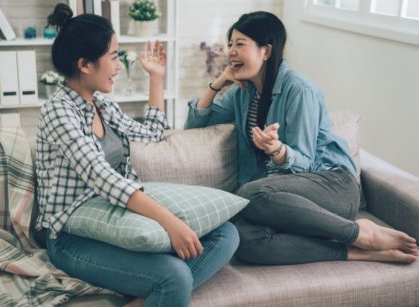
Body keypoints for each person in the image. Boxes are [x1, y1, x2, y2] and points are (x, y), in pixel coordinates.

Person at [35, 4, 239, 307]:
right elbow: (102, 178)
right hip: (70, 236)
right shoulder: (59, 112)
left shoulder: (101, 104)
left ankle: (148, 299)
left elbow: (153, 133)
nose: (119, 65)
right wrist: (171, 223)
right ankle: (164, 291)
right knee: (175, 277)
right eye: (114, 56)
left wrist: (156, 78)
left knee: (225, 233)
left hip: (115, 218)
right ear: (85, 65)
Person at [185, 11, 418, 265]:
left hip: (332, 186)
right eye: (230, 44)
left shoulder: (299, 89)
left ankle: (359, 233)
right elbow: (195, 125)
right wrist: (217, 83)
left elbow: (304, 163)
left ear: (266, 51)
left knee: (250, 193)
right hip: (283, 198)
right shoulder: (242, 92)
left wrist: (277, 150)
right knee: (243, 239)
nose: (231, 51)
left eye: (240, 44)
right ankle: (355, 252)